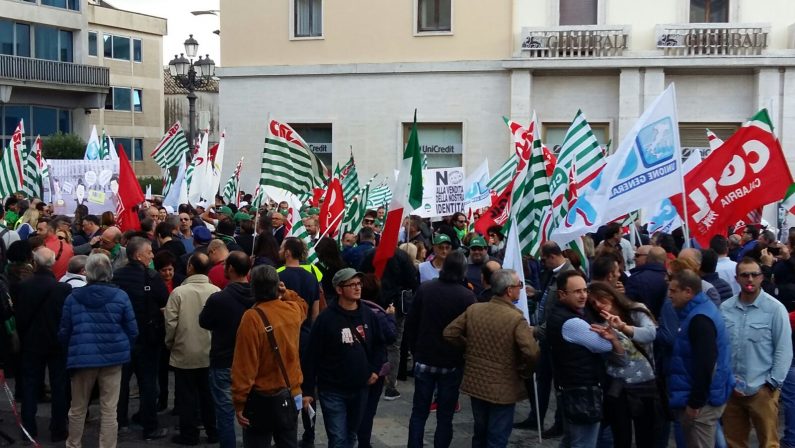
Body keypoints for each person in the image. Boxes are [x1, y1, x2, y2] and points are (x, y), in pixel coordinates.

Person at [443, 269, 540, 448]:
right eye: (519, 285)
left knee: (480, 433)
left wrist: (468, 347)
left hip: (476, 382)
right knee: (497, 437)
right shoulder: (516, 318)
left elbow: (450, 333)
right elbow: (532, 352)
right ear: (509, 290)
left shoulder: (475, 309)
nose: (521, 289)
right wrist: (525, 371)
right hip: (503, 387)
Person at [59, 253, 138, 448]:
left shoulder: (73, 297)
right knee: (109, 408)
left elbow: (64, 330)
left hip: (82, 358)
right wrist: (124, 347)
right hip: (113, 358)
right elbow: (132, 330)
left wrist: (69, 349)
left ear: (88, 273)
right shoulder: (121, 296)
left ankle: (74, 444)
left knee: (78, 407)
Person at [300, 268, 384, 447]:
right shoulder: (326, 319)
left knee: (352, 435)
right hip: (333, 389)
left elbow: (379, 345)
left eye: (359, 284)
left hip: (360, 387)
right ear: (339, 289)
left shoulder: (369, 315)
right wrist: (307, 391)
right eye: (351, 284)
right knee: (338, 438)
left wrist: (375, 370)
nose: (357, 288)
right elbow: (311, 355)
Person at [547, 270, 626, 447]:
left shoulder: (567, 314)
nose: (583, 296)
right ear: (561, 294)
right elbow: (604, 346)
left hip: (574, 387)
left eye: (585, 290)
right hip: (582, 392)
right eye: (577, 291)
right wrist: (612, 336)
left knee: (573, 441)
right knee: (582, 443)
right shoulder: (572, 322)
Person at [405, 252, 476, 448]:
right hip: (451, 362)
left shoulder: (426, 289)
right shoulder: (467, 296)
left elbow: (411, 322)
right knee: (445, 416)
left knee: (419, 412)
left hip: (425, 358)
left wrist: (416, 349)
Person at [232, 265, 308, 448]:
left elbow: (245, 366)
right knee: (288, 442)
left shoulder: (251, 318)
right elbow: (303, 306)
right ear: (276, 286)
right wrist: (287, 292)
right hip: (291, 392)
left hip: (261, 398)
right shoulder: (291, 310)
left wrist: (239, 401)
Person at [720, 258, 793, 447]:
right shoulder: (725, 308)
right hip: (732, 391)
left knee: (769, 443)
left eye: (755, 274)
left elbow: (784, 350)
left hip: (762, 389)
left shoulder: (775, 309)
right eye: (745, 275)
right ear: (737, 279)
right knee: (734, 442)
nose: (750, 279)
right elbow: (721, 347)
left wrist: (772, 384)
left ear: (762, 278)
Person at [666, 269, 734, 447]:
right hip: (704, 399)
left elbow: (706, 364)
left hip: (701, 404)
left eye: (673, 291)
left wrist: (695, 402)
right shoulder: (700, 312)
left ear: (688, 292)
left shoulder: (700, 319)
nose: (669, 295)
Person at [587, 281, 658, 448]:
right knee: (621, 437)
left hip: (644, 383)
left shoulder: (636, 310)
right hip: (618, 386)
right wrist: (613, 340)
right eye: (593, 303)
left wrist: (624, 328)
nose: (597, 305)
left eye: (599, 299)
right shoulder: (601, 325)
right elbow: (620, 360)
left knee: (646, 436)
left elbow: (650, 334)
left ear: (611, 295)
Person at [113, 237, 170, 440]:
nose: (152, 255)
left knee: (121, 383)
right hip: (148, 338)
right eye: (149, 252)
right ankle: (149, 425)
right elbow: (165, 301)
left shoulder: (116, 276)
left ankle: (119, 422)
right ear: (138, 255)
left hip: (123, 338)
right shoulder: (153, 277)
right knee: (148, 383)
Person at [15, 247, 72, 442]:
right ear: (53, 262)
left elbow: (20, 317)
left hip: (32, 342)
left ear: (35, 262)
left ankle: (28, 428)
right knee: (59, 386)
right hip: (56, 342)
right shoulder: (62, 288)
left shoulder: (23, 286)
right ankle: (58, 429)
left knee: (30, 385)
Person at [199, 251, 255, 448]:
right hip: (251, 363)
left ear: (230, 269)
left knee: (224, 413)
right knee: (252, 410)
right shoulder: (258, 298)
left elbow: (204, 321)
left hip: (224, 361)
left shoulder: (219, 299)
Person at [165, 252, 220, 445]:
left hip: (184, 351)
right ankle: (213, 432)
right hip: (209, 351)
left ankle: (189, 434)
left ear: (190, 268)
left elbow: (171, 324)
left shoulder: (178, 292)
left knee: (187, 396)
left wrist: (170, 344)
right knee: (208, 395)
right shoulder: (216, 291)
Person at [624, 245, 668, 318]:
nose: (634, 258)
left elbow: (628, 306)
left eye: (637, 255)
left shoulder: (636, 278)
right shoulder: (671, 278)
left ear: (647, 258)